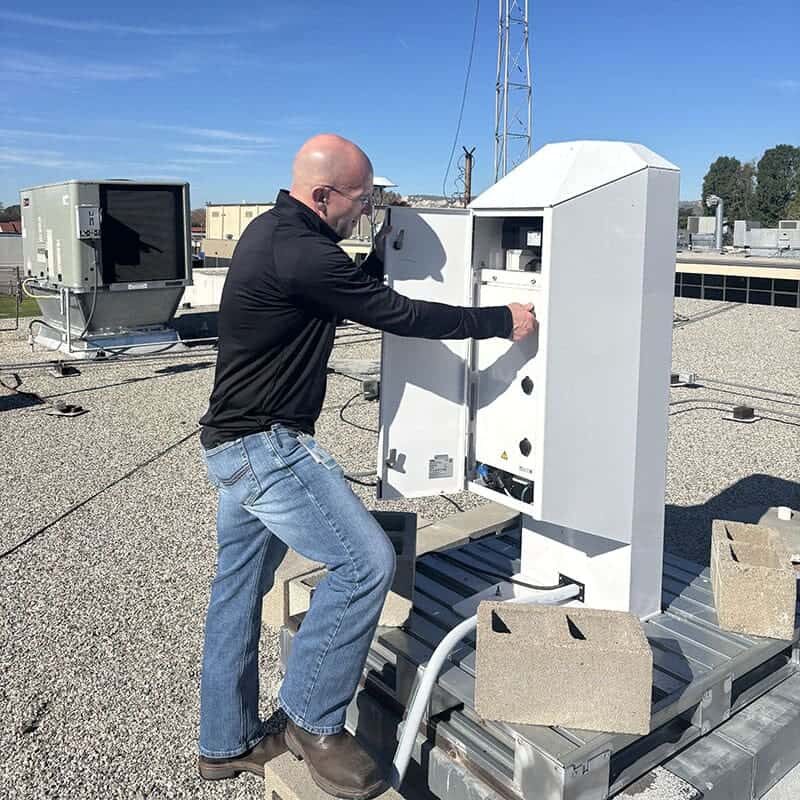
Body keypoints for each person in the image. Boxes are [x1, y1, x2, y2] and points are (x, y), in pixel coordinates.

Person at [196, 133, 537, 799]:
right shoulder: (298, 251)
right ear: (324, 195)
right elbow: (397, 314)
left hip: (232, 445)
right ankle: (310, 720)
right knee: (366, 563)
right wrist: (501, 318)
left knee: (235, 596)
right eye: (361, 200)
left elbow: (351, 286)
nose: (366, 211)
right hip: (267, 448)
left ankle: (224, 742)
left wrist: (387, 247)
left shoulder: (279, 234)